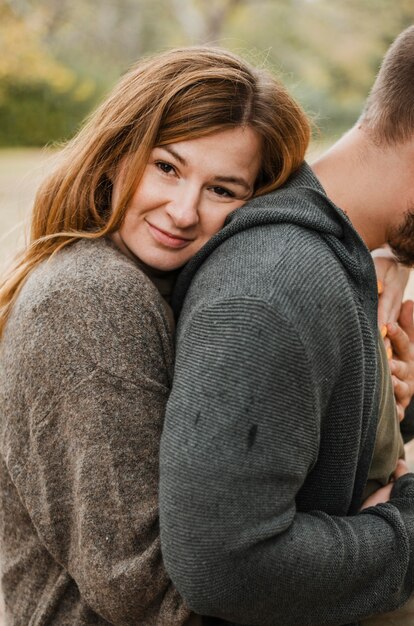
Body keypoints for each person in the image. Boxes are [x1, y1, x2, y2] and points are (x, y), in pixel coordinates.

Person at [0, 47, 314, 625]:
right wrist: (370, 541)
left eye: (223, 189)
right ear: (118, 154)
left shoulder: (161, 289)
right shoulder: (90, 296)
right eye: (167, 167)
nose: (184, 210)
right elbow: (138, 589)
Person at [159, 26, 414, 626]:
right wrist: (405, 527)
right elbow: (225, 566)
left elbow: (316, 453)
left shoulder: (340, 256)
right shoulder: (277, 285)